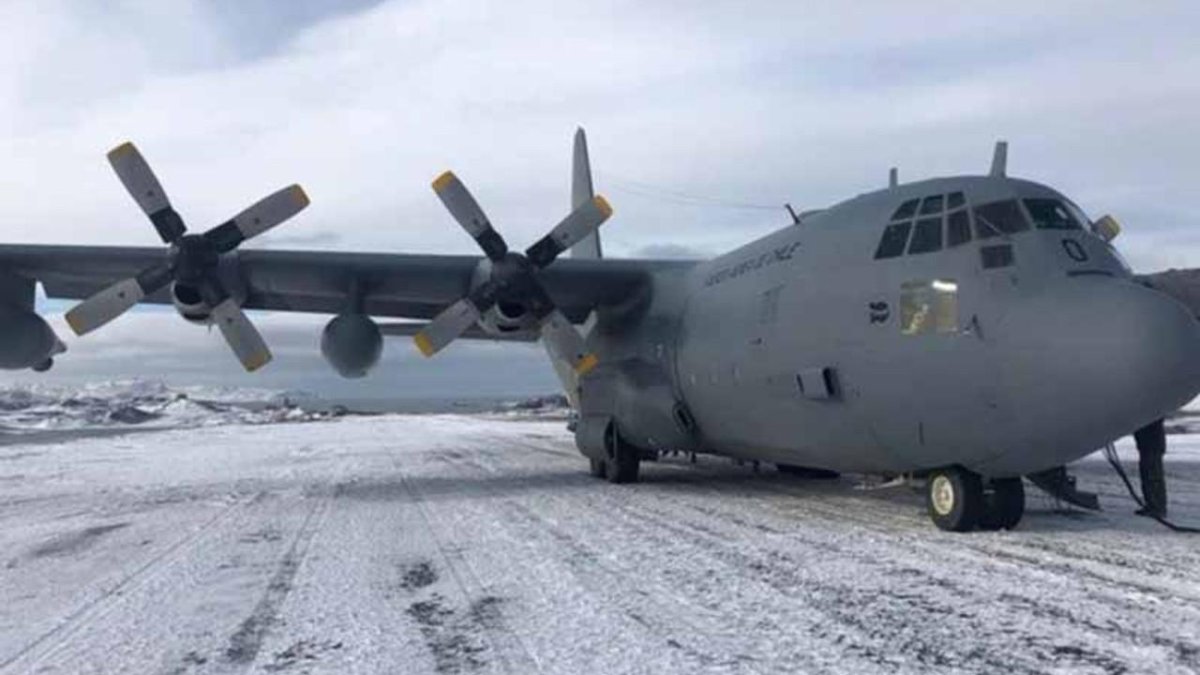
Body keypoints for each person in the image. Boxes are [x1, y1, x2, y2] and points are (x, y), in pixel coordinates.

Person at [1133, 419, 1168, 518]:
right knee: (1148, 476)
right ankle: (1153, 505)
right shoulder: (1150, 415)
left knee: (1153, 476)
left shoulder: (1151, 417)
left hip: (1151, 447)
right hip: (1148, 447)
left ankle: (1157, 507)